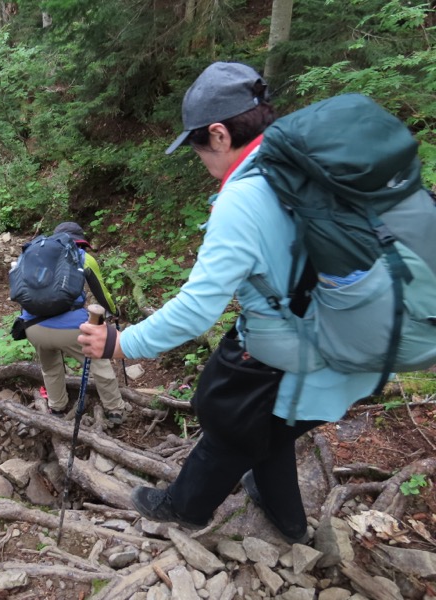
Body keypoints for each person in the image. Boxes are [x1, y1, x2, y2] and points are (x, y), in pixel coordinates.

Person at [77, 62, 381, 543]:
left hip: (304, 341)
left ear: (219, 134)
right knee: (274, 424)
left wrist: (121, 342)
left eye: (197, 146)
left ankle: (186, 507)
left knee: (229, 417)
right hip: (360, 335)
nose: (199, 159)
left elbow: (198, 308)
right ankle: (289, 521)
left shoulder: (245, 198)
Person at [20, 222, 127, 425]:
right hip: (72, 330)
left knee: (50, 368)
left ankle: (57, 407)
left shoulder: (34, 254)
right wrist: (115, 311)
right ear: (80, 242)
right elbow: (101, 293)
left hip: (33, 326)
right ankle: (115, 410)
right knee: (99, 362)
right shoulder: (83, 257)